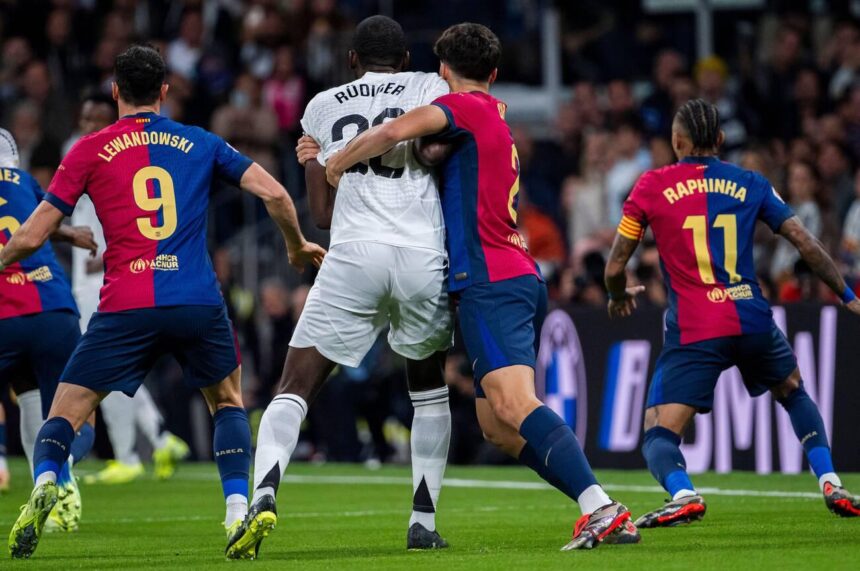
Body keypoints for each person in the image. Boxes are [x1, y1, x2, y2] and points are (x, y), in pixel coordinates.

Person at [2, 44, 325, 560]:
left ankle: (45, 480)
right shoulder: (200, 141)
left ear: (115, 93)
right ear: (165, 92)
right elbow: (278, 196)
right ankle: (237, 511)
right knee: (226, 402)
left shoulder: (88, 149)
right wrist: (295, 245)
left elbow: (28, 236)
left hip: (125, 303)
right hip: (196, 300)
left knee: (66, 412)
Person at [325, 22, 640, 551]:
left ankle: (600, 506)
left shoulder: (463, 108)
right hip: (510, 274)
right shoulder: (494, 117)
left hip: (492, 279)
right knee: (496, 424)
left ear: (443, 72)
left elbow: (389, 132)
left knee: (513, 403)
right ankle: (601, 505)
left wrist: (335, 162)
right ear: (494, 73)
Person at [233, 16, 455, 558]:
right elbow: (441, 155)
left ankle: (263, 494)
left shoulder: (323, 104)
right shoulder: (431, 87)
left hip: (353, 253)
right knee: (428, 391)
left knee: (294, 386)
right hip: (422, 252)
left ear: (351, 60)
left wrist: (313, 161)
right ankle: (422, 521)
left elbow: (322, 214)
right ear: (405, 60)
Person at [603, 98, 860, 528]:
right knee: (793, 391)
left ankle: (684, 494)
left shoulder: (650, 186)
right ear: (720, 140)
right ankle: (830, 480)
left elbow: (614, 266)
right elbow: (805, 242)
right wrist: (847, 294)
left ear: (676, 140)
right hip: (751, 316)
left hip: (696, 327)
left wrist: (615, 294)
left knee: (657, 432)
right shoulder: (751, 182)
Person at [68, 92, 191, 485]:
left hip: (101, 277)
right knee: (112, 365)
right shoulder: (87, 151)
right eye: (84, 117)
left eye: (95, 119)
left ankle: (127, 455)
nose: (87, 126)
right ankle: (159, 436)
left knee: (103, 366)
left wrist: (107, 257)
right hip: (88, 277)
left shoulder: (108, 156)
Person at [0, 127, 98, 531]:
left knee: (27, 401)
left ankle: (43, 479)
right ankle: (63, 473)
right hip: (52, 309)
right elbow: (36, 220)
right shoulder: (25, 182)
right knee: (75, 416)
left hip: (4, 315)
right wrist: (71, 232)